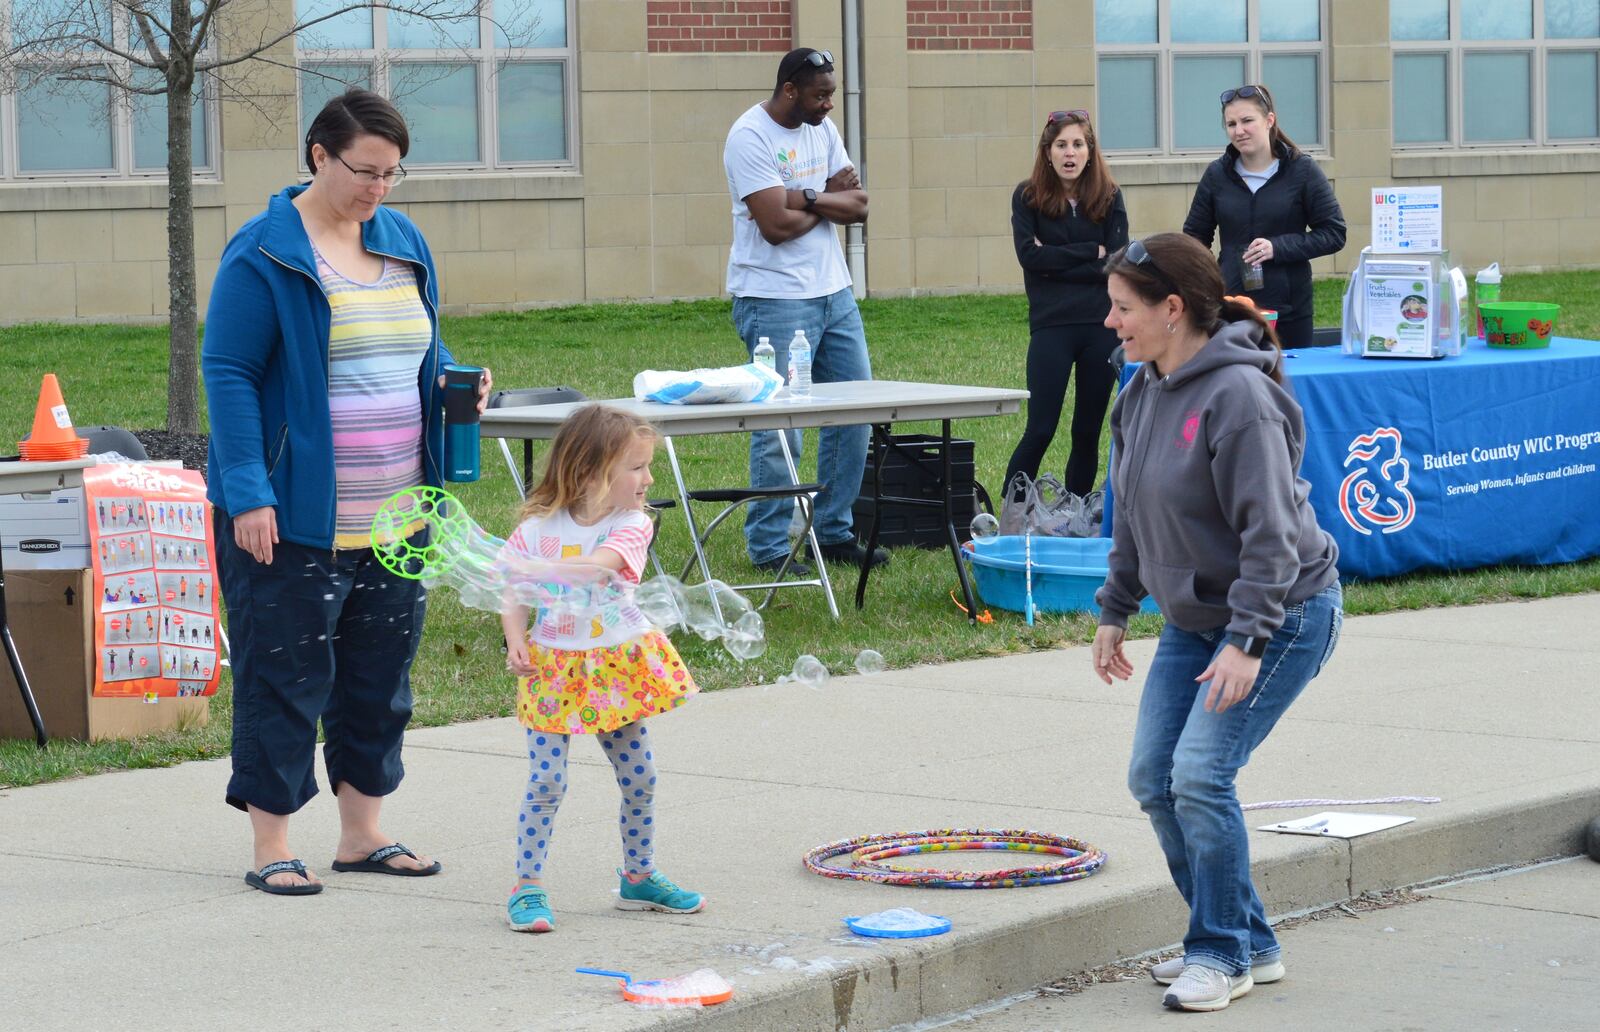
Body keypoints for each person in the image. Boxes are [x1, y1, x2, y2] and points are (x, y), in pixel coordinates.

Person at [203, 89, 491, 896]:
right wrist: (247, 490)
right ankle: (271, 846)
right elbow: (227, 374)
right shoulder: (265, 253)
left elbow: (419, 344)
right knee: (285, 679)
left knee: (377, 682)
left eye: (393, 174)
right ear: (319, 155)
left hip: (398, 515)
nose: (378, 189)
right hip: (293, 516)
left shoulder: (401, 240)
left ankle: (362, 834)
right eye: (364, 171)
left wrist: (454, 379)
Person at [1090, 233, 1343, 1012]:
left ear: (1173, 310)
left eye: (1123, 308)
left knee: (1199, 775)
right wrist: (1115, 608)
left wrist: (1246, 641)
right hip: (1197, 620)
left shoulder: (1239, 397)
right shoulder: (1140, 392)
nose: (1110, 322)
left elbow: (1270, 536)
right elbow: (1131, 511)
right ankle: (1249, 941)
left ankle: (1220, 953)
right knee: (1153, 779)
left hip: (1283, 614)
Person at [498, 404, 703, 933]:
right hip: (551, 669)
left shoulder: (633, 524)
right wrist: (516, 637)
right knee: (546, 780)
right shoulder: (536, 528)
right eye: (636, 467)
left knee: (640, 778)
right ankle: (527, 887)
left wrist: (532, 569)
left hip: (614, 667)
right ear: (590, 470)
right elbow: (513, 591)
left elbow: (596, 569)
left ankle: (639, 877)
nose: (648, 478)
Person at [723, 46, 884, 575]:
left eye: (832, 93)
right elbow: (772, 227)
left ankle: (832, 531)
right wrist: (822, 199)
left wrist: (802, 198)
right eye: (821, 95)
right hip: (773, 298)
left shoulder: (822, 129)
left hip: (833, 293)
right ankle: (769, 546)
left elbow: (858, 206)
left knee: (853, 412)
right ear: (790, 90)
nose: (829, 105)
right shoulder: (749, 137)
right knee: (780, 424)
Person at [1004, 109, 1129, 499]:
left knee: (1087, 430)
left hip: (1100, 326)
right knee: (1040, 428)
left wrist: (1058, 258)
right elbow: (1031, 259)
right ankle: (1012, 510)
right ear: (1048, 152)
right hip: (1052, 326)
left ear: (1090, 151)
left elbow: (1118, 262)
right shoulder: (1028, 197)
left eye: (1077, 144)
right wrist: (1093, 250)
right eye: (1061, 145)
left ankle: (1076, 512)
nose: (1069, 153)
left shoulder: (1109, 196)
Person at [1181, 84, 1345, 349]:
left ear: (1269, 120)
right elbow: (1193, 239)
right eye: (1231, 124)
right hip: (1232, 308)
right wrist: (1215, 279)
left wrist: (1277, 247)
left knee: (1287, 386)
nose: (1239, 130)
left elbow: (1334, 233)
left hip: (1289, 311)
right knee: (1234, 386)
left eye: (1247, 121)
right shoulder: (1217, 175)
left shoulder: (1302, 170)